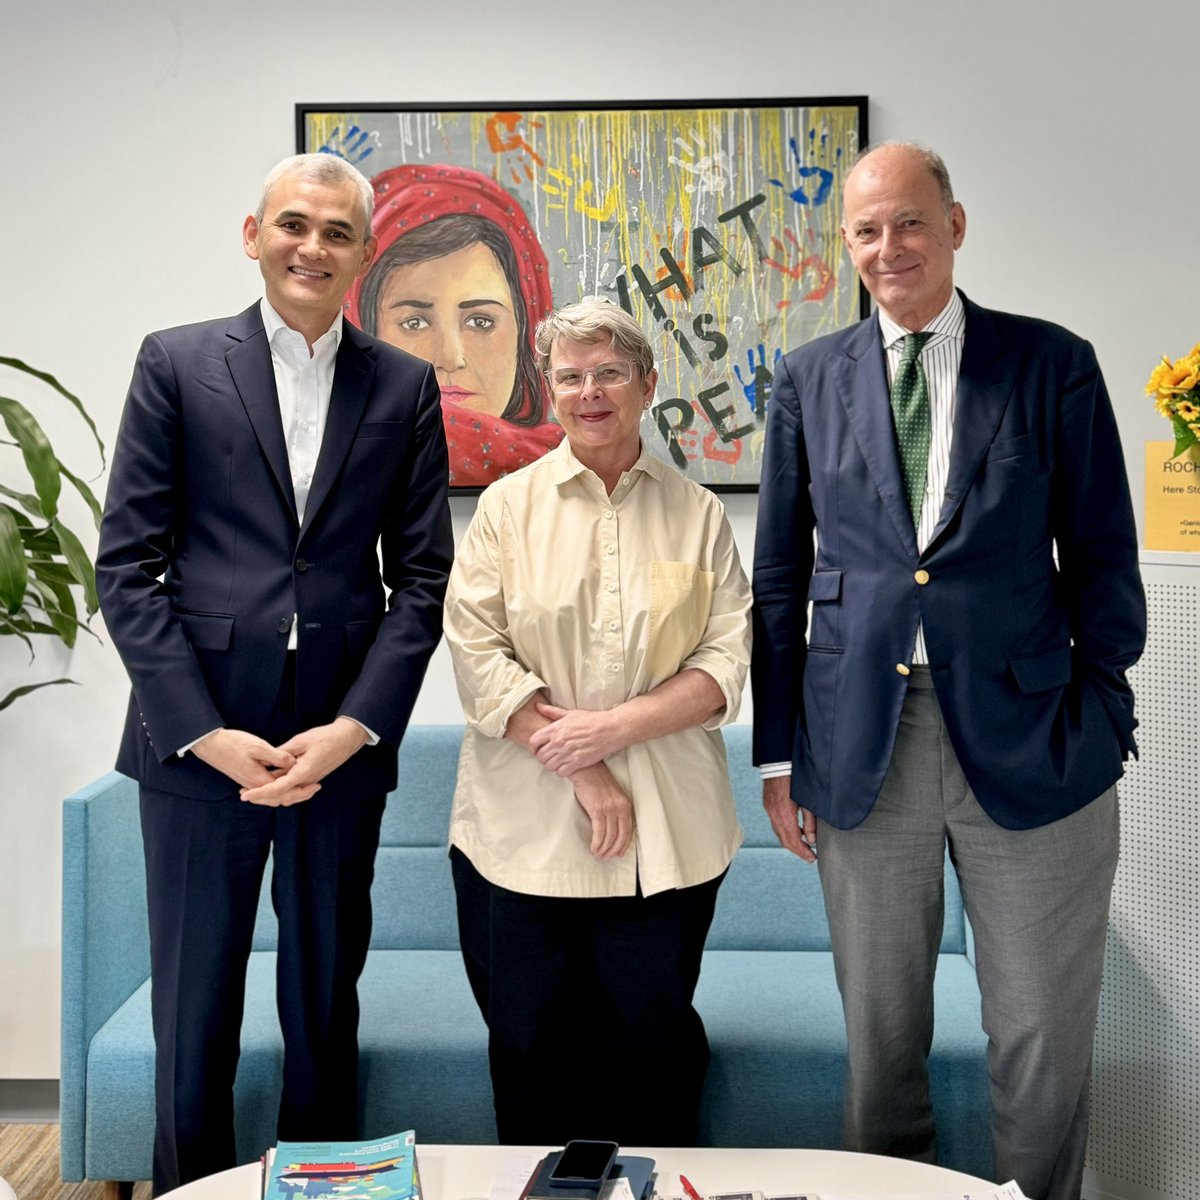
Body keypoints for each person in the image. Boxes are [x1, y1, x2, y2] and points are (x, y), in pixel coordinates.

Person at [751, 142, 1145, 1200]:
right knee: (881, 1051)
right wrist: (779, 755)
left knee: (1040, 1044)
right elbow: (782, 575)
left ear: (956, 225)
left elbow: (1102, 550)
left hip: (1036, 738)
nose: (891, 248)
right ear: (848, 245)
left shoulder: (1050, 362)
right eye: (868, 231)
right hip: (857, 744)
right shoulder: (806, 377)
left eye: (911, 222)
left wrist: (1105, 710)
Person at [96, 153, 453, 1195]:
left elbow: (421, 581)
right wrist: (199, 729)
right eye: (293, 225)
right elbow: (128, 565)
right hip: (198, 741)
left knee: (322, 1002)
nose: (313, 247)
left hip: (334, 744)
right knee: (193, 1005)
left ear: (365, 254)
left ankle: (323, 1190)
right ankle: (185, 1188)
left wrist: (354, 729)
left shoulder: (404, 385)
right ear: (253, 236)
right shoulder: (175, 363)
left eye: (338, 232)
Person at [442, 299, 752, 1145]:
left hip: (669, 839)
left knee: (651, 1058)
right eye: (571, 376)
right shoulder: (505, 510)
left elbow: (725, 663)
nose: (590, 392)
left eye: (610, 372)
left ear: (647, 385)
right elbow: (477, 655)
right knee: (531, 1056)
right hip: (522, 836)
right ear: (549, 392)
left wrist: (610, 733)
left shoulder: (699, 513)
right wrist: (582, 766)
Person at [346, 164, 563, 486]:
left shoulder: (574, 469)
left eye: (480, 321)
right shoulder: (327, 461)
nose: (450, 357)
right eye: (415, 322)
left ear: (525, 334)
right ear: (363, 330)